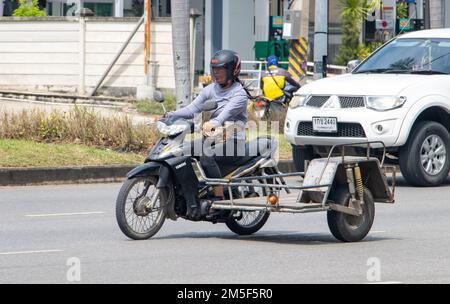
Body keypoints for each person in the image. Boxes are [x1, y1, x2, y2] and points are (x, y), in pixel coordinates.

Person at [165, 49, 250, 211]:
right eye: (215, 69)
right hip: (212, 138)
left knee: (206, 155)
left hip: (234, 142)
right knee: (180, 151)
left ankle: (219, 198)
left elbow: (225, 115)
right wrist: (169, 115)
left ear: (233, 70)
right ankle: (190, 192)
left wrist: (214, 123)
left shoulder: (239, 94)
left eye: (221, 69)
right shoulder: (210, 89)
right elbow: (191, 109)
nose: (217, 73)